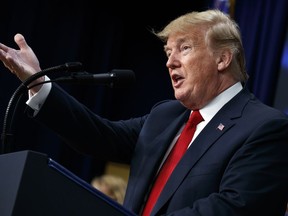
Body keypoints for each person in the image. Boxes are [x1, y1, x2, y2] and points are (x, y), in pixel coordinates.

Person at [0, 9, 288, 216]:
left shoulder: (265, 127)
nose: (170, 62)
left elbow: (233, 208)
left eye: (183, 49)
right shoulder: (166, 116)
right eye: (167, 53)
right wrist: (39, 83)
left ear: (223, 58)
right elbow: (99, 136)